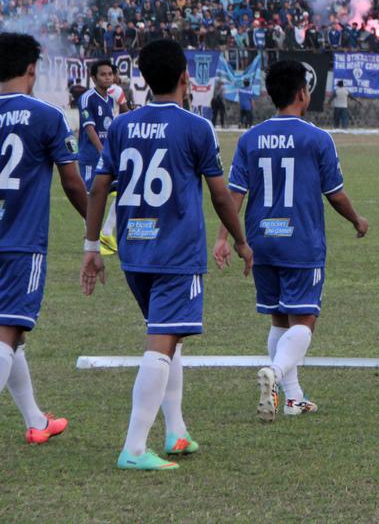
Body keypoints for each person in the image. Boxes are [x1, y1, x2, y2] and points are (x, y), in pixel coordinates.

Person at [80, 39, 253, 471]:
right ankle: (135, 448)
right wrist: (242, 241)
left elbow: (100, 187)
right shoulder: (196, 127)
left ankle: (175, 431)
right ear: (184, 79)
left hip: (134, 253)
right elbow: (219, 194)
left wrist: (91, 248)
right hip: (176, 254)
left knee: (168, 339)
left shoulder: (121, 125)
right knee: (162, 343)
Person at [213, 60, 368, 421]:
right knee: (304, 320)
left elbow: (234, 194)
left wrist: (224, 238)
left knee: (279, 320)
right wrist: (357, 219)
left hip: (260, 241)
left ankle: (293, 397)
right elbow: (335, 194)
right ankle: (276, 374)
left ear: (269, 95)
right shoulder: (317, 138)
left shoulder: (250, 139)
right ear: (303, 93)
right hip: (300, 241)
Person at [0, 33, 89, 446]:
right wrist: (96, 225)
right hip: (20, 244)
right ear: (32, 70)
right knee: (7, 332)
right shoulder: (47, 115)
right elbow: (73, 184)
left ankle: (36, 421)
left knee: (12, 334)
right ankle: (36, 421)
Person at [77, 60, 122, 255]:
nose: (107, 77)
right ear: (93, 77)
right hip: (90, 157)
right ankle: (91, 240)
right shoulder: (87, 98)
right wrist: (103, 151)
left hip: (106, 157)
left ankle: (106, 232)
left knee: (123, 189)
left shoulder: (110, 100)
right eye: (103, 74)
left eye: (110, 74)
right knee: (89, 198)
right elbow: (89, 128)